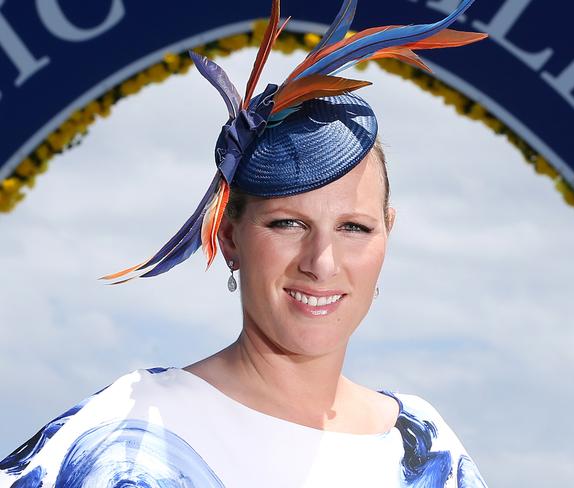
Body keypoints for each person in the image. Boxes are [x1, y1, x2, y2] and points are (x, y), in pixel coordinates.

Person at [0, 0, 489, 486]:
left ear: (388, 233)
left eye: (354, 227)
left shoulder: (425, 448)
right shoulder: (129, 435)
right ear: (229, 236)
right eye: (287, 224)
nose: (321, 263)